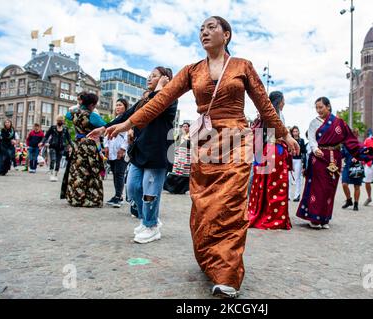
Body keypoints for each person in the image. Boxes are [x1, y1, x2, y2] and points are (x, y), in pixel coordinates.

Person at [103, 16, 298, 298]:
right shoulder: (192, 70)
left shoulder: (243, 66)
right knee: (205, 206)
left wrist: (284, 134)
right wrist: (126, 124)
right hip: (206, 143)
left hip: (236, 140)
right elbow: (160, 101)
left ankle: (228, 274)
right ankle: (211, 260)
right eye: (201, 29)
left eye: (211, 28)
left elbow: (264, 104)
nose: (204, 33)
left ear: (226, 34)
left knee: (230, 205)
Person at [89, 67, 177, 242]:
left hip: (158, 151)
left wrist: (161, 87)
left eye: (154, 76)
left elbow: (156, 106)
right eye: (149, 76)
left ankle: (151, 226)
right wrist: (104, 128)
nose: (149, 79)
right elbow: (127, 116)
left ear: (165, 79)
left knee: (150, 191)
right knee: (133, 187)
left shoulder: (170, 98)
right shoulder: (145, 99)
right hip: (140, 149)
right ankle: (149, 220)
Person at [297, 97, 373, 230]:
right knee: (318, 187)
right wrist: (315, 149)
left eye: (321, 107)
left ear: (328, 106)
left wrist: (362, 151)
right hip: (319, 158)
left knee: (330, 188)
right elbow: (311, 138)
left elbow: (350, 140)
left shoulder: (339, 123)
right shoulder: (314, 123)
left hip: (335, 158)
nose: (318, 110)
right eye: (316, 108)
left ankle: (324, 218)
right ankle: (314, 217)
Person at [248, 91, 292, 230]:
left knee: (263, 182)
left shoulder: (265, 115)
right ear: (279, 101)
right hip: (274, 151)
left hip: (266, 150)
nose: (284, 102)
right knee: (276, 184)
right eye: (283, 100)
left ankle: (262, 210)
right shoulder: (275, 115)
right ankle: (273, 215)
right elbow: (276, 135)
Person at [61, 93, 107, 207]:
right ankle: (91, 199)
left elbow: (67, 115)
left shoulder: (72, 113)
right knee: (92, 171)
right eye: (95, 104)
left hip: (77, 145)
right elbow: (105, 126)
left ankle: (75, 198)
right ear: (91, 104)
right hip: (89, 145)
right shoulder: (93, 115)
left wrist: (78, 107)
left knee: (77, 170)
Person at [103, 99, 129, 208]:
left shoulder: (127, 120)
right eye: (117, 105)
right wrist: (106, 146)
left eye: (120, 105)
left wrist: (123, 148)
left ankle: (119, 197)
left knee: (120, 173)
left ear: (125, 107)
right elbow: (106, 133)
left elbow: (128, 135)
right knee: (114, 173)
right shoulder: (114, 120)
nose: (118, 107)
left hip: (120, 151)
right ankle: (117, 195)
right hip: (112, 151)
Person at [39, 115, 73, 181]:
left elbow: (69, 139)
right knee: (53, 160)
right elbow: (46, 136)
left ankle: (55, 175)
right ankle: (51, 174)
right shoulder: (53, 128)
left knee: (58, 162)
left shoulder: (65, 129)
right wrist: (42, 142)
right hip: (53, 146)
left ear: (63, 121)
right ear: (57, 121)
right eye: (59, 121)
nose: (60, 122)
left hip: (61, 148)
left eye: (61, 121)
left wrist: (73, 145)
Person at [163, 122, 191, 194]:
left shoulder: (191, 136)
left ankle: (182, 189)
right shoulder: (180, 135)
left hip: (187, 156)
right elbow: (176, 144)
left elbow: (191, 145)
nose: (185, 128)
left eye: (186, 126)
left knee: (184, 172)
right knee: (176, 171)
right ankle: (173, 188)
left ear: (189, 128)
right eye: (183, 126)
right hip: (178, 155)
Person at [341, 128, 364, 211]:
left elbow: (365, 155)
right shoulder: (345, 145)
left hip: (357, 167)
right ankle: (349, 200)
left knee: (356, 186)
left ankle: (356, 204)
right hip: (347, 167)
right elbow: (342, 155)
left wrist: (358, 158)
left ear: (357, 136)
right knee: (344, 184)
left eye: (355, 134)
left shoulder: (360, 145)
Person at [288, 126, 307, 202]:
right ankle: (288, 195)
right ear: (292, 132)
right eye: (294, 131)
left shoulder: (301, 141)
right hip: (291, 159)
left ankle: (297, 195)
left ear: (299, 132)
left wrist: (303, 164)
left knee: (297, 178)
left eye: (296, 131)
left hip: (298, 160)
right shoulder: (289, 140)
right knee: (288, 178)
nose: (295, 133)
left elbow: (303, 152)